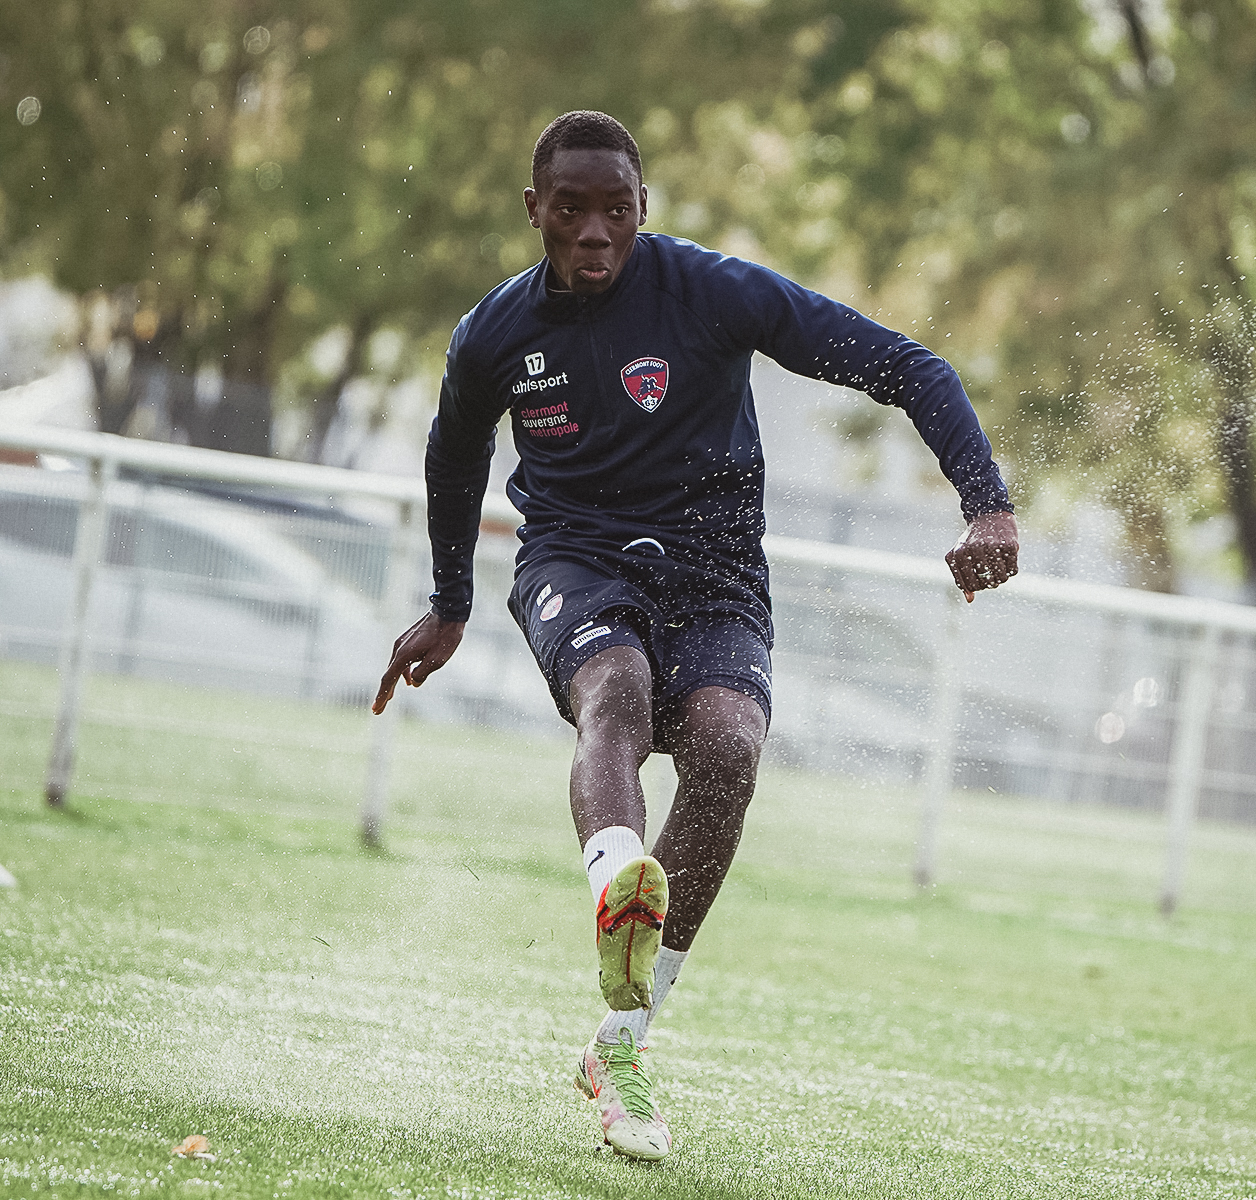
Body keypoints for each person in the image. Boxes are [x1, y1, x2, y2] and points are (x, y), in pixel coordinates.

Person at [372, 110, 1019, 1161]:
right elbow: (453, 458)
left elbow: (909, 367)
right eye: (570, 211)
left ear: (642, 211)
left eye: (613, 210)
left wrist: (985, 504)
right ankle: (618, 881)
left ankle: (619, 1041)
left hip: (715, 570)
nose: (591, 232)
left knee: (726, 752)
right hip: (574, 559)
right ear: (534, 210)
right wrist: (449, 602)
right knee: (615, 691)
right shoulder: (494, 334)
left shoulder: (712, 291)